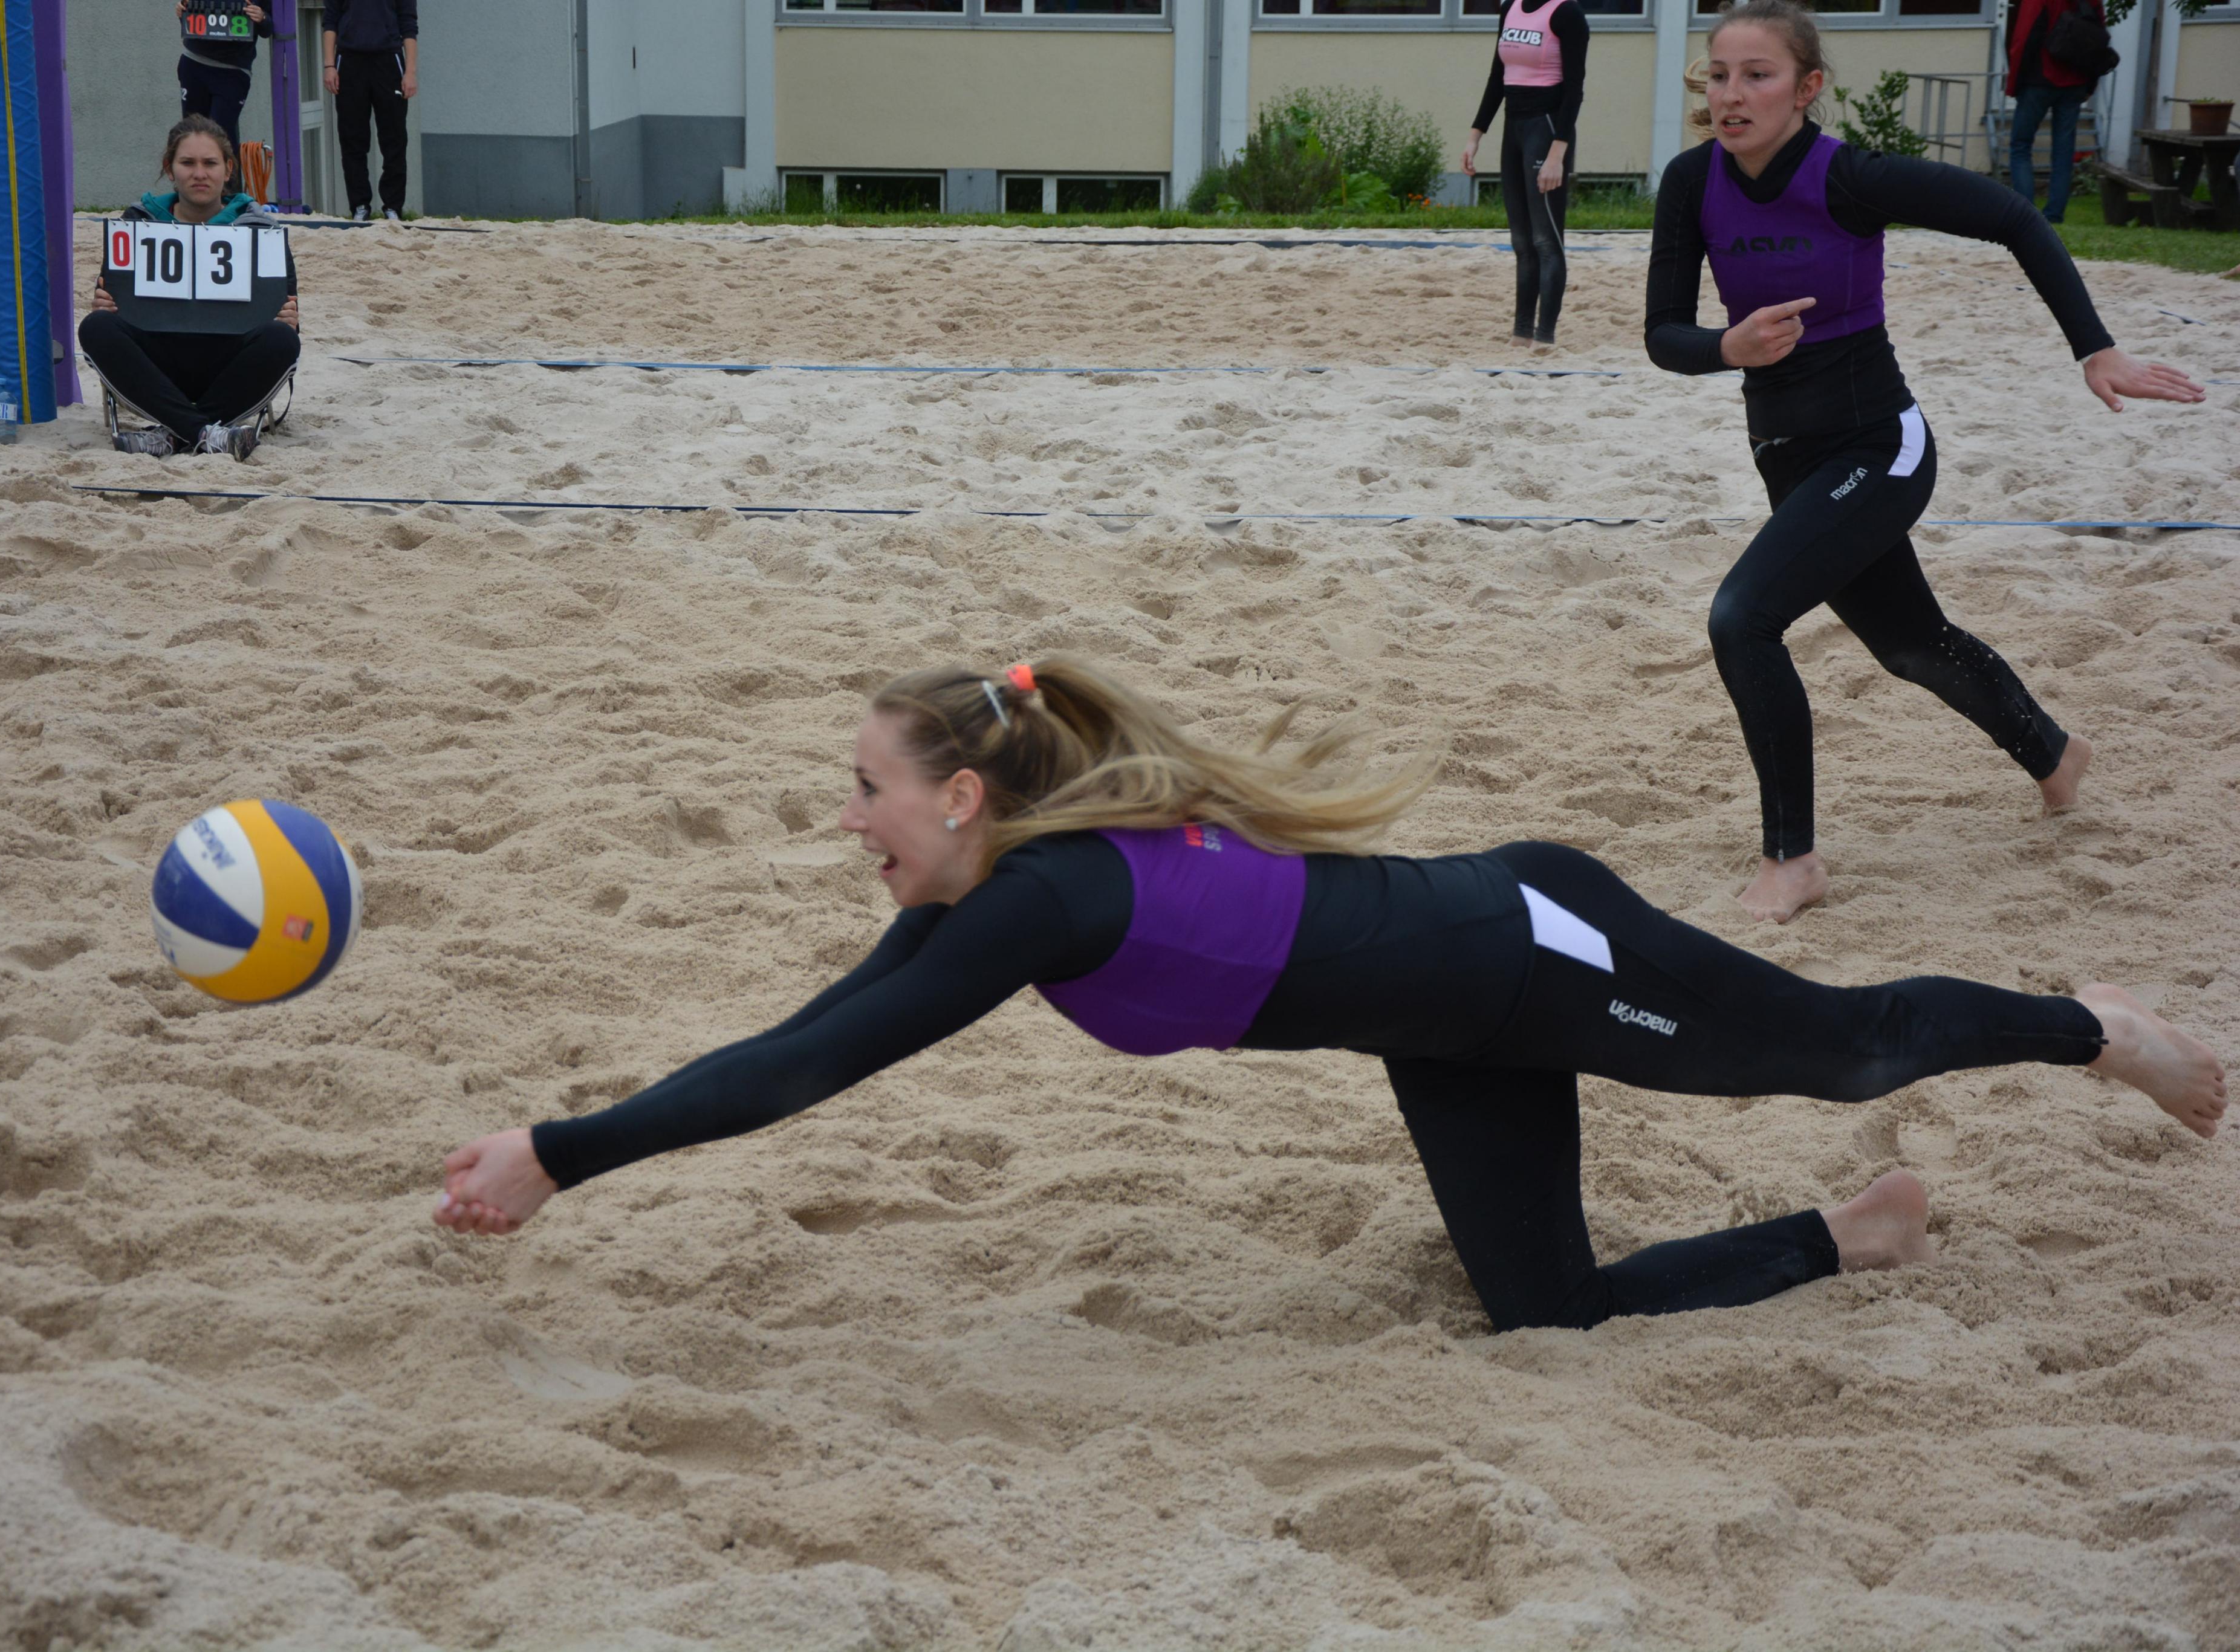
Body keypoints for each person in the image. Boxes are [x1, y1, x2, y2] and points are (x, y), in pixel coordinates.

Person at [429, 660, 2225, 1338]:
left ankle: (2093, 1026)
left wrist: (558, 1153)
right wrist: (562, 1146)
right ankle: (1856, 1235)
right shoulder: (1012, 883)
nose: (847, 820)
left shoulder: (1037, 896)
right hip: (1450, 1022)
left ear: (962, 795)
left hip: (1534, 949)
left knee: (1841, 1049)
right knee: (1545, 1312)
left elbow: (804, 1071)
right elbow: (804, 1039)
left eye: (864, 790)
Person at [1644, 0, 2203, 924]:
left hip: (1879, 446)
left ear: (1807, 88)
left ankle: (1793, 861)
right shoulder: (1690, 181)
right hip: (1785, 454)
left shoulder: (1849, 178)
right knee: (1909, 644)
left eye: (1759, 75)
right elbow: (1664, 334)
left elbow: (2012, 217)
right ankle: (2054, 754)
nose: (1733, 94)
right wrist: (1725, 348)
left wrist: (2094, 348)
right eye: (1722, 74)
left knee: (1742, 618)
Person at [78, 115, 299, 459]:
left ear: (228, 170)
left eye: (210, 163)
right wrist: (105, 303)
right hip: (157, 364)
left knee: (282, 338)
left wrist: (289, 320)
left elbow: (287, 313)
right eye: (188, 163)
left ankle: (175, 435)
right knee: (96, 326)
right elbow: (114, 296)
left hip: (229, 364)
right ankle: (202, 433)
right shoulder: (137, 223)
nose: (200, 173)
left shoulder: (261, 231)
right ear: (170, 169)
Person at [1459, 0, 1588, 351]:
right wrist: (1475, 136)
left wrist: (1557, 154)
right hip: (1513, 130)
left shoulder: (1566, 14)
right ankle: (1521, 332)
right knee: (1522, 241)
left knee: (1546, 241)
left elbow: (1574, 89)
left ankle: (1544, 336)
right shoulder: (1510, 8)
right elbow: (1497, 78)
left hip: (1547, 131)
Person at [2005, 0, 2100, 225]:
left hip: (2039, 80)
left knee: (2021, 146)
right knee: (2063, 153)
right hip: (2075, 81)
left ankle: (2027, 215)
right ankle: (2054, 215)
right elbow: (2099, 39)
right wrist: (2090, 84)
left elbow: (2023, 39)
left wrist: (2014, 84)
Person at [320, 0, 415, 223]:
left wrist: (410, 72)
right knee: (352, 139)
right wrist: (329, 65)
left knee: (394, 139)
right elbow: (330, 21)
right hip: (349, 61)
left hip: (389, 61)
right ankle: (360, 205)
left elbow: (409, 26)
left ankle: (393, 207)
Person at [178, 0, 271, 155]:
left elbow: (268, 29)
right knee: (192, 134)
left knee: (221, 136)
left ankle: (230, 171)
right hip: (195, 63)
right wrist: (182, 11)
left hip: (233, 71)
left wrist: (262, 18)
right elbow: (189, 15)